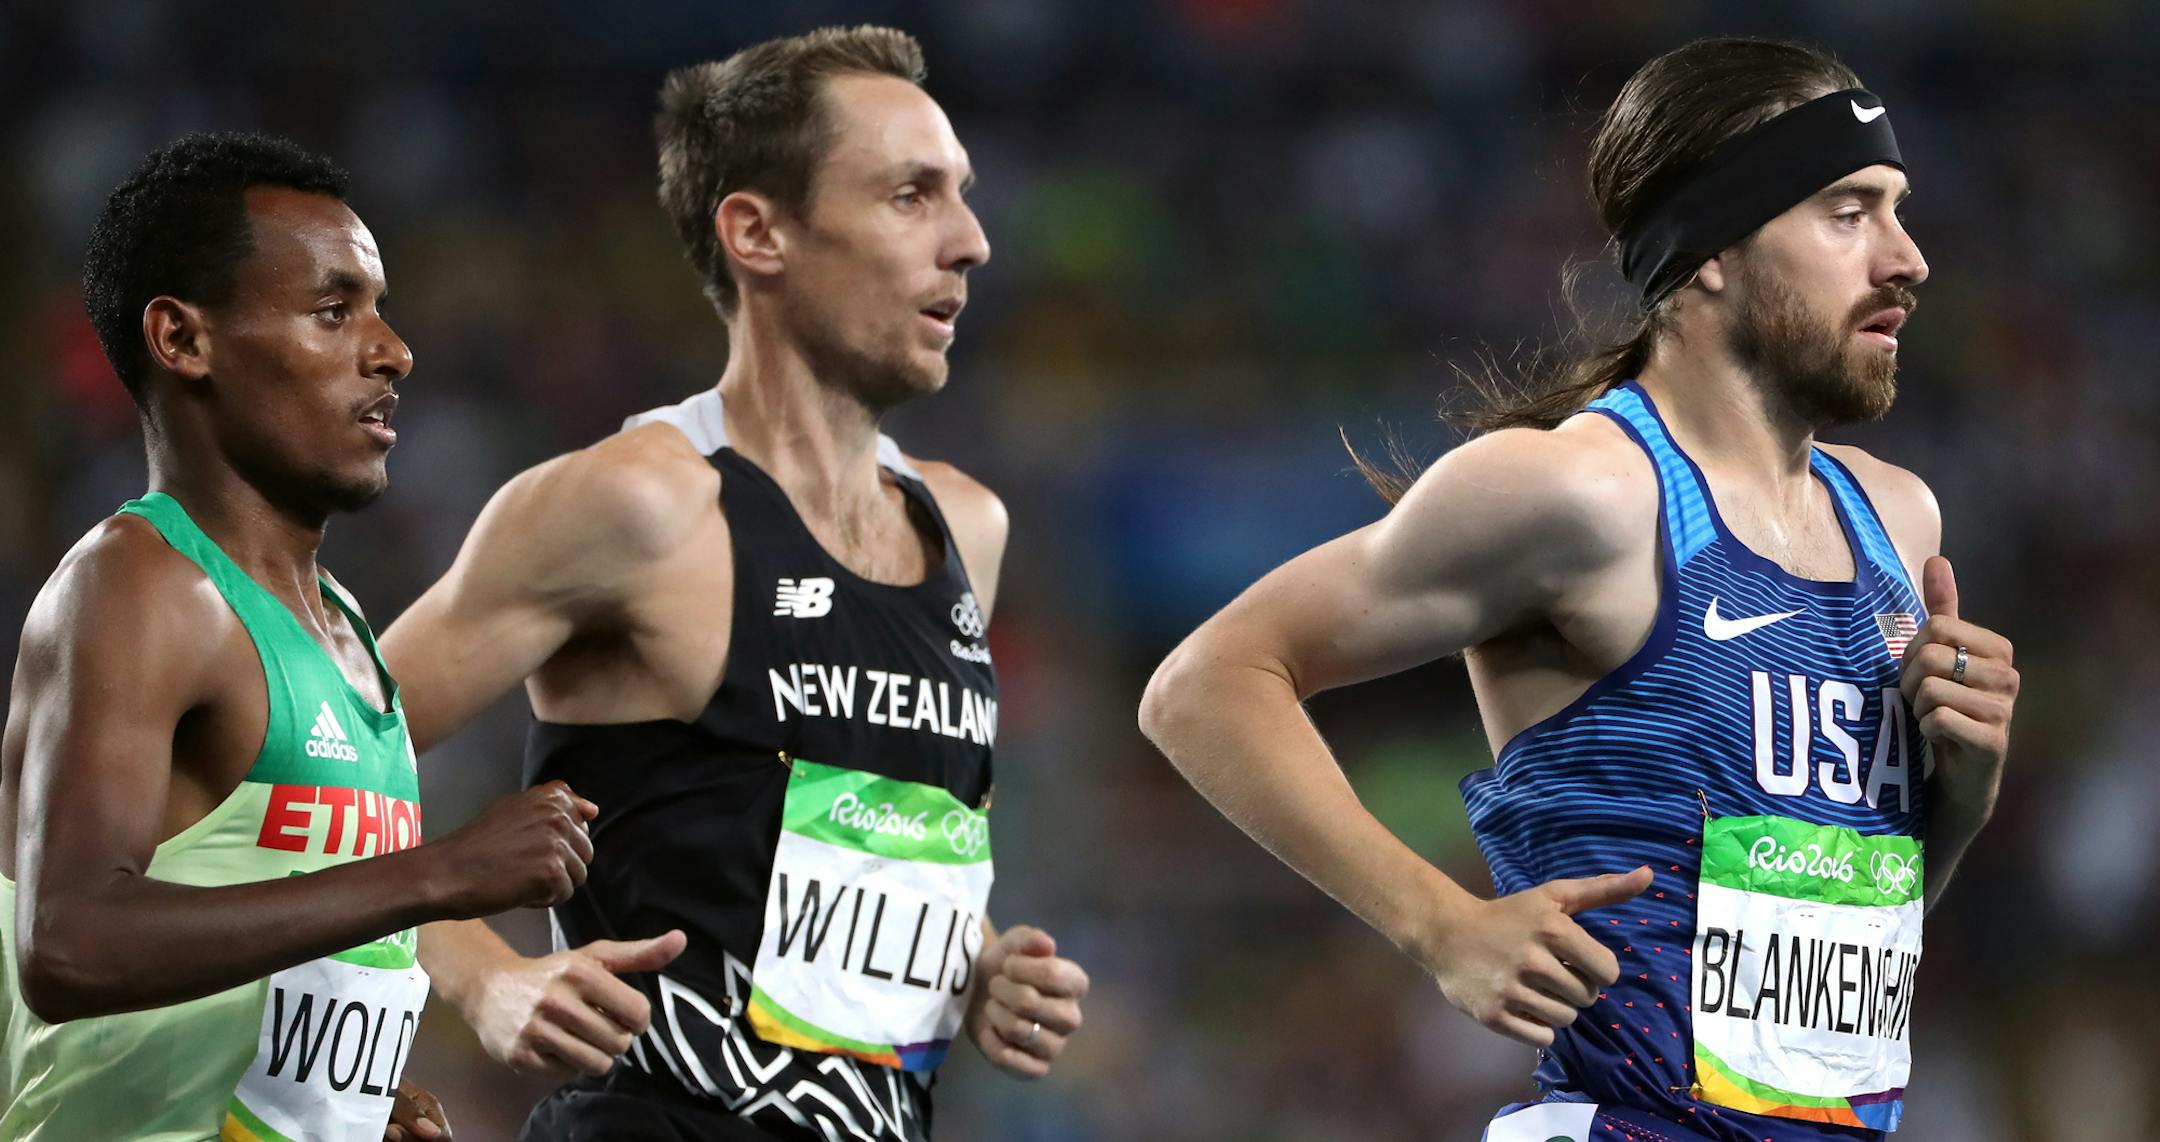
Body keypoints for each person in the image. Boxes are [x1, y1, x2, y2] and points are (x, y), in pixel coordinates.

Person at [1139, 38, 2018, 1142]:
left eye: (1898, 208)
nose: (1908, 257)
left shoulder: (1897, 521)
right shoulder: (1583, 494)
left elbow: (1835, 961)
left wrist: (1962, 802)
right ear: (1711, 250)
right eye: (1849, 212)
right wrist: (1441, 924)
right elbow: (1206, 682)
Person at [377, 26, 1088, 1141]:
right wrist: (481, 976)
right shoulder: (635, 506)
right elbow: (306, 770)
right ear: (758, 232)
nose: (972, 242)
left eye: (962, 193)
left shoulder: (967, 528)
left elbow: (847, 835)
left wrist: (975, 958)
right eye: (912, 195)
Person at [0, 132, 601, 1142]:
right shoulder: (142, 583)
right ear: (184, 340)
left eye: (377, 307)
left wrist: (349, 1112)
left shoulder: (347, 627)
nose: (392, 350)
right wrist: (440, 872)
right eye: (335, 310)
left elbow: (271, 968)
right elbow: (69, 944)